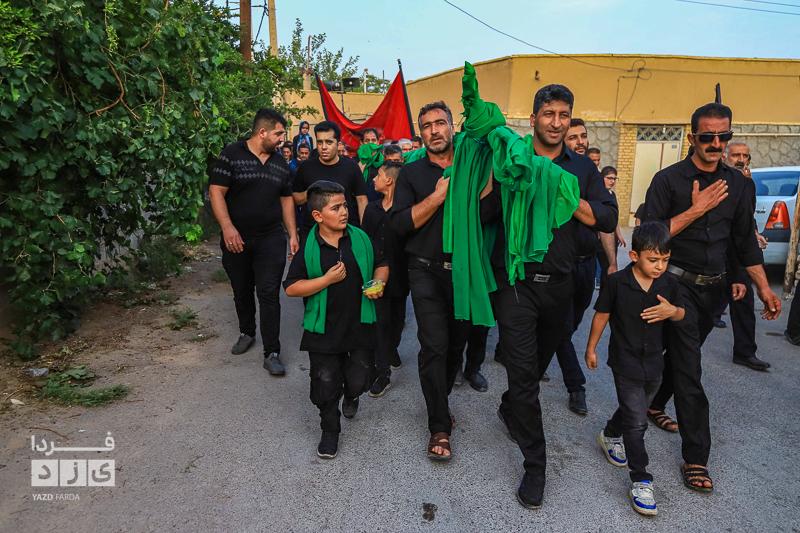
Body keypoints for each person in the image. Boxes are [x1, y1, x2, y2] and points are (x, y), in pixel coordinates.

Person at [641, 102, 781, 492]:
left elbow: (743, 240)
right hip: (674, 286)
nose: (716, 144)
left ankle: (653, 404)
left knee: (680, 357)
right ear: (692, 138)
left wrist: (761, 286)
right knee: (690, 367)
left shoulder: (739, 184)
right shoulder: (668, 180)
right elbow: (648, 236)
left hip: (713, 289)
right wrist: (696, 208)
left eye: (724, 136)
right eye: (708, 137)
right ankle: (696, 458)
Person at [491, 85, 618, 508]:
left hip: (560, 284)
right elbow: (485, 211)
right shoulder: (513, 157)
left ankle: (510, 406)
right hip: (515, 282)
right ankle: (535, 466)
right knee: (523, 373)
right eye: (549, 113)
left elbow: (608, 216)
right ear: (534, 119)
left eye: (564, 114)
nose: (557, 122)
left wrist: (565, 193)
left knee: (536, 366)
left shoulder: (581, 167)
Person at [391, 101, 487, 460]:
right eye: (427, 125)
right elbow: (400, 223)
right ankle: (439, 426)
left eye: (440, 123)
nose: (434, 130)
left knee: (455, 346)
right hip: (425, 269)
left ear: (452, 127)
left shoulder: (472, 166)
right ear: (421, 133)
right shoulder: (411, 173)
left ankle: (440, 402)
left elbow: (492, 211)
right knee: (433, 345)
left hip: (465, 271)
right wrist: (436, 197)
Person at [585, 222, 685, 517]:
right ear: (634, 256)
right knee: (638, 422)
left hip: (655, 362)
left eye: (665, 260)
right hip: (625, 362)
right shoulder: (616, 283)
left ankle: (609, 433)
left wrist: (672, 311)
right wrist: (591, 348)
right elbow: (601, 315)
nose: (660, 266)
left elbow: (681, 313)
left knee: (636, 409)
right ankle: (642, 480)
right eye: (653, 260)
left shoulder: (669, 283)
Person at [283, 181, 389, 459]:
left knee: (360, 377)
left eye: (345, 206)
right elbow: (291, 287)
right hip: (324, 329)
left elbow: (382, 263)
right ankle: (330, 430)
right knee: (326, 382)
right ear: (317, 215)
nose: (344, 212)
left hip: (360, 323)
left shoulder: (360, 238)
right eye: (336, 208)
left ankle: (351, 395)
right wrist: (326, 280)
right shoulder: (309, 248)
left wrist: (378, 281)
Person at [209, 108, 299, 375]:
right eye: (278, 134)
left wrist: (293, 233)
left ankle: (272, 352)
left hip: (271, 237)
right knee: (242, 289)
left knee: (269, 292)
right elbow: (216, 192)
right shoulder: (231, 155)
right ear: (262, 133)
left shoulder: (280, 163)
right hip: (237, 238)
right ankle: (247, 332)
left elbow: (286, 199)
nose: (282, 139)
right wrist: (227, 228)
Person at [714, 141, 771, 370]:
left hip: (738, 252)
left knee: (744, 300)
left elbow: (747, 216)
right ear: (724, 157)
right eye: (736, 155)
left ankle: (745, 352)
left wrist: (754, 233)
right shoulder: (716, 180)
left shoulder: (748, 183)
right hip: (715, 249)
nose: (741, 159)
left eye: (745, 156)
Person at [361, 161, 409, 397]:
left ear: (389, 180)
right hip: (376, 277)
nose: (373, 179)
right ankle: (383, 374)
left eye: (378, 175)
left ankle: (392, 349)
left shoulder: (406, 210)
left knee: (398, 321)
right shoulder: (371, 209)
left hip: (401, 276)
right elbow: (364, 241)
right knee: (380, 324)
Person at [293, 121, 368, 241]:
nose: (323, 147)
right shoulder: (306, 167)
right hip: (312, 235)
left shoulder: (351, 167)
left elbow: (362, 200)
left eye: (329, 142)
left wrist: (364, 231)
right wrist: (312, 193)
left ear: (338, 143)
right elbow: (295, 198)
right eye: (320, 142)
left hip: (345, 234)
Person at [596, 166, 627, 288]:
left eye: (614, 179)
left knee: (609, 266)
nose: (612, 181)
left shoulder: (612, 195)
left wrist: (619, 235)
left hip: (611, 236)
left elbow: (613, 218)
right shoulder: (597, 194)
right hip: (600, 237)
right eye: (609, 178)